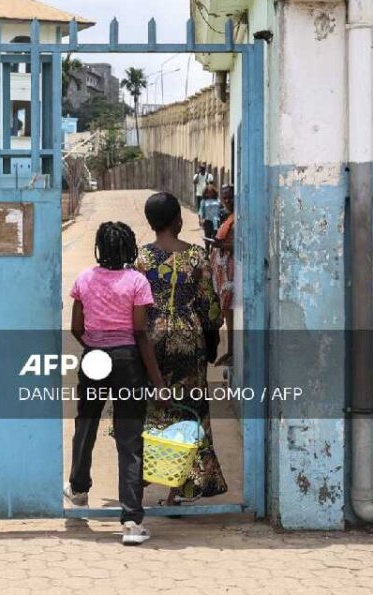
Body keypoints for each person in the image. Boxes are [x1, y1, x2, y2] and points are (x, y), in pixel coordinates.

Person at [65, 222, 167, 545]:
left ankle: (79, 490)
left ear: (99, 247)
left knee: (86, 424)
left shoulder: (84, 279)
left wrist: (95, 344)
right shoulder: (137, 282)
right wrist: (158, 380)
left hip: (94, 356)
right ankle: (132, 523)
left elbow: (76, 328)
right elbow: (140, 333)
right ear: (129, 247)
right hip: (127, 362)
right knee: (129, 438)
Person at [135, 192, 228, 505]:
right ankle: (178, 490)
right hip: (188, 341)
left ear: (150, 223)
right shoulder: (197, 257)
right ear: (179, 220)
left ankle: (145, 474)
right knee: (191, 412)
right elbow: (209, 307)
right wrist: (212, 343)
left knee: (153, 409)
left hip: (150, 341)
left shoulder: (141, 259)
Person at [211, 185, 236, 366]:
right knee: (227, 314)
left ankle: (231, 351)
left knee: (229, 312)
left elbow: (239, 245)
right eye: (224, 198)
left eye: (230, 197)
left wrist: (222, 246)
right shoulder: (227, 217)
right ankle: (230, 351)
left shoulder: (237, 219)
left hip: (230, 275)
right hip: (223, 274)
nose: (227, 201)